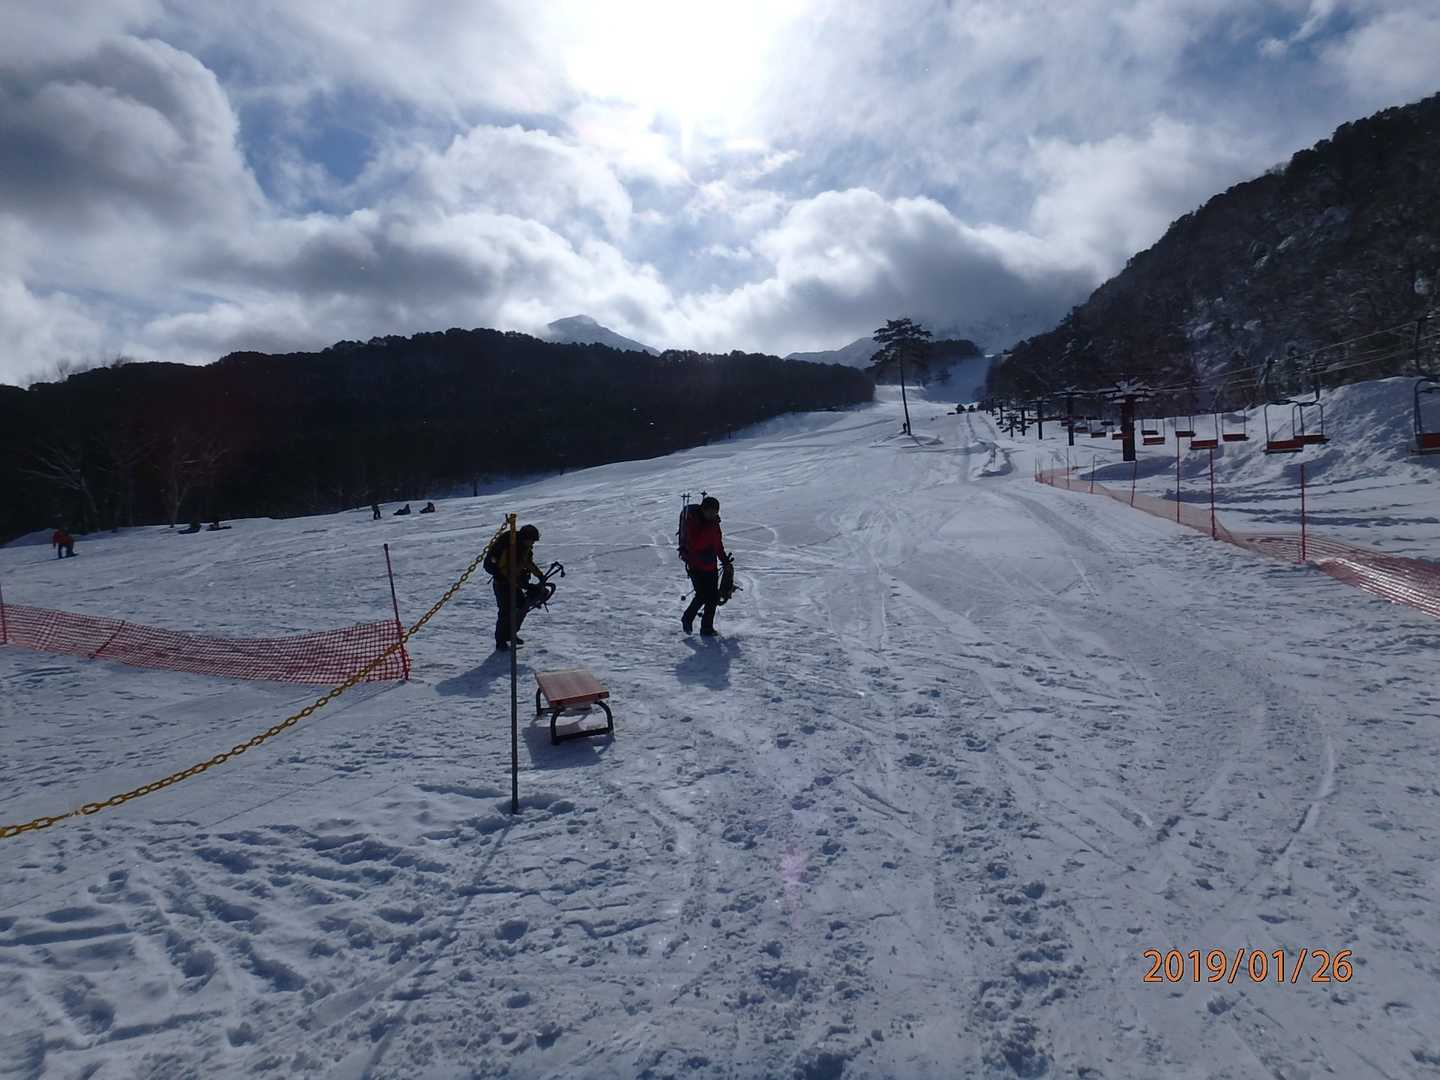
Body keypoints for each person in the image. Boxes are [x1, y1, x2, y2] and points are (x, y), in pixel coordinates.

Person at [493, 524, 542, 651]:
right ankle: (500, 641)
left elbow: (528, 563)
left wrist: (539, 575)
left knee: (522, 607)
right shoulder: (512, 548)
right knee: (505, 611)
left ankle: (511, 634)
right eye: (531, 540)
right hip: (502, 583)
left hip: (515, 583)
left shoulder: (525, 549)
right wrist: (525, 585)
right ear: (525, 538)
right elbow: (506, 571)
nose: (533, 543)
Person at [681, 495, 726, 636]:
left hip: (710, 565)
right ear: (703, 509)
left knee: (712, 597)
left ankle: (707, 628)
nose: (713, 514)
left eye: (715, 512)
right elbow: (696, 544)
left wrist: (724, 560)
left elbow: (717, 544)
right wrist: (710, 526)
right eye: (710, 511)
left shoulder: (714, 523)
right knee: (702, 595)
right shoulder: (694, 522)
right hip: (695, 565)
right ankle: (687, 618)